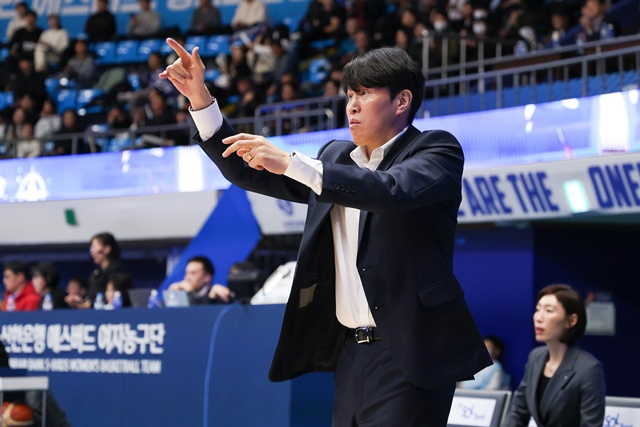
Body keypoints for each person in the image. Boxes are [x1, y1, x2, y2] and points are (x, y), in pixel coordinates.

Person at [161, 40, 491, 426]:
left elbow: (390, 191)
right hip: (350, 351)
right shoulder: (335, 157)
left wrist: (293, 162)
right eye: (349, 95)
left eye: (364, 94)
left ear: (402, 101)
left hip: (412, 351)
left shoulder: (436, 150)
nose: (351, 105)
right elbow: (246, 171)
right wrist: (200, 99)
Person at [501, 284, 606, 427]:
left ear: (571, 321)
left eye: (549, 311)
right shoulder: (535, 357)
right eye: (538, 309)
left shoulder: (588, 369)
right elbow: (518, 412)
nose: (539, 318)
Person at [66, 232, 128, 309]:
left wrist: (88, 305)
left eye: (94, 247)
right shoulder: (96, 273)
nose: (92, 252)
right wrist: (82, 302)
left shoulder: (118, 273)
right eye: (91, 248)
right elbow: (92, 298)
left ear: (107, 249)